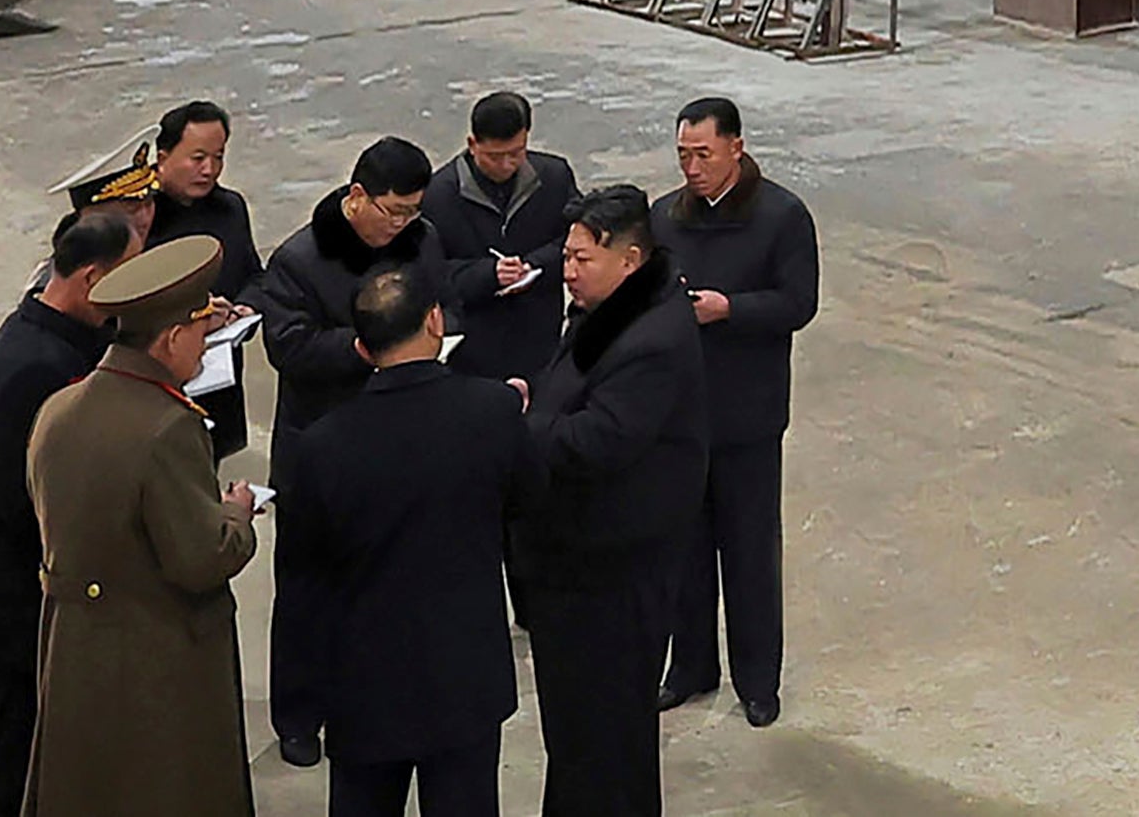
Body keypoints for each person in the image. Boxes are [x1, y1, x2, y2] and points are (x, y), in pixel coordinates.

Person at [249, 140, 492, 765]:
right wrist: (367, 348)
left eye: (413, 212)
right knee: (309, 587)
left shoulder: (421, 239)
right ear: (356, 197)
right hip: (324, 438)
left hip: (409, 431)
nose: (403, 224)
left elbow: (448, 303)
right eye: (394, 211)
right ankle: (300, 715)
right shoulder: (301, 260)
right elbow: (289, 347)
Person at [272, 264, 532, 817]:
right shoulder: (493, 411)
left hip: (363, 687)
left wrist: (302, 704)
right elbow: (528, 504)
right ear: (435, 321)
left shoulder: (321, 448)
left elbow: (301, 583)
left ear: (363, 347)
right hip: (465, 676)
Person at [25, 233, 264, 817]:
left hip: (75, 650)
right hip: (155, 657)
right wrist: (237, 513)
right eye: (202, 336)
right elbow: (200, 558)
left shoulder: (60, 406)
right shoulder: (167, 427)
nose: (205, 350)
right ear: (174, 336)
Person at [514, 188, 704, 817]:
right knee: (580, 737)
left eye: (580, 259)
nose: (566, 270)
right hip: (577, 560)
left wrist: (517, 426)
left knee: (603, 734)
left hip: (610, 572)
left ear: (628, 260)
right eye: (566, 255)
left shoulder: (651, 338)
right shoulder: (609, 309)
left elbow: (599, 441)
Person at [0, 203, 137, 817]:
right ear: (90, 278)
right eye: (123, 281)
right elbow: (27, 499)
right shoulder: (37, 368)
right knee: (14, 761)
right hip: (21, 610)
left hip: (36, 599)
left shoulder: (53, 336)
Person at [648, 96, 816, 730]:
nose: (692, 168)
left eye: (704, 156)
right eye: (684, 156)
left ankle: (757, 680)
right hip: (681, 413)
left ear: (736, 149)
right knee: (684, 550)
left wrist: (731, 310)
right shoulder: (666, 216)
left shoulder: (782, 216)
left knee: (748, 552)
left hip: (747, 412)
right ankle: (690, 667)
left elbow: (799, 302)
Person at [122, 106, 261, 460]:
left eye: (218, 157)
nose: (209, 170)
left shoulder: (230, 207)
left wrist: (245, 308)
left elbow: (254, 275)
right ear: (163, 157)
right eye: (197, 158)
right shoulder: (138, 219)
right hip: (160, 383)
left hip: (219, 375)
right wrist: (197, 315)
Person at [429, 94, 576, 389]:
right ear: (472, 145)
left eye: (517, 152)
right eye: (495, 156)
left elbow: (579, 241)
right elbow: (427, 274)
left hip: (540, 339)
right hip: (472, 350)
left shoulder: (555, 177)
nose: (507, 164)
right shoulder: (437, 195)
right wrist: (487, 275)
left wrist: (535, 266)